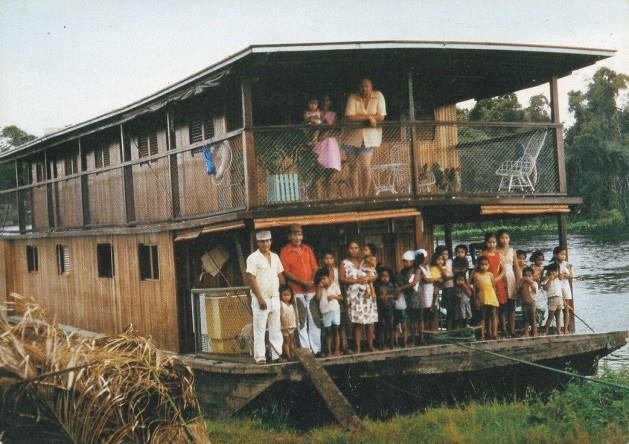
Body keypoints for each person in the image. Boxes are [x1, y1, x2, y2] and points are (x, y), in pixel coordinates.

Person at [245, 230, 285, 364]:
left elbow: (280, 275)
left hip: (275, 297)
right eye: (262, 241)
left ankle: (276, 355)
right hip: (261, 298)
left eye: (268, 241)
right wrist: (260, 298)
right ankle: (260, 357)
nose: (266, 244)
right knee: (260, 328)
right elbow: (251, 278)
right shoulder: (252, 258)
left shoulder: (275, 257)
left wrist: (284, 293)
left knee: (276, 328)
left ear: (271, 241)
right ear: (258, 243)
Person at [279, 224, 320, 354]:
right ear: (289, 236)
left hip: (311, 290)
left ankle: (316, 349)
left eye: (300, 234)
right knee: (301, 320)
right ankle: (306, 350)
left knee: (314, 319)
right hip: (296, 291)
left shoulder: (307, 249)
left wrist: (312, 281)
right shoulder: (285, 251)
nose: (298, 237)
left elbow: (315, 268)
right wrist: (302, 282)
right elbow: (285, 272)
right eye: (295, 234)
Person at [343, 77, 386, 197]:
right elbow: (349, 117)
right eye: (362, 86)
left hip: (368, 139)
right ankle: (355, 197)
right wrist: (369, 118)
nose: (364, 89)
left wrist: (367, 117)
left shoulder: (378, 96)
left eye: (367, 86)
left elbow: (381, 116)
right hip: (350, 138)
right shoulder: (352, 97)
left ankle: (365, 197)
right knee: (352, 167)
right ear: (359, 88)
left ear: (371, 87)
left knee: (365, 167)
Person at [339, 241, 378, 353]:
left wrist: (370, 279)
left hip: (368, 295)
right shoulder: (344, 263)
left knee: (370, 321)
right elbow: (341, 279)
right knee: (358, 323)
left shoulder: (364, 261)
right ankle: (358, 347)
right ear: (347, 249)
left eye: (356, 248)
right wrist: (356, 280)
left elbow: (375, 274)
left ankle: (370, 345)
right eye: (351, 248)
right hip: (354, 296)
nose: (354, 250)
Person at [313, 95, 341, 198]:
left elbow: (335, 129)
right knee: (318, 173)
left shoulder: (333, 114)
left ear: (331, 102)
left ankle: (329, 198)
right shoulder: (317, 113)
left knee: (330, 174)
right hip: (319, 143)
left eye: (328, 101)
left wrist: (325, 134)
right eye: (324, 100)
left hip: (330, 145)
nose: (326, 102)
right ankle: (319, 199)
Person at [480, 232, 507, 337]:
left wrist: (498, 278)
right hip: (486, 283)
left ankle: (495, 333)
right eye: (489, 242)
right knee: (487, 310)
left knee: (495, 310)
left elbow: (503, 269)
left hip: (497, 282)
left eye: (494, 242)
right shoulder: (483, 254)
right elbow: (477, 270)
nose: (492, 244)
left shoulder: (498, 254)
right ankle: (488, 332)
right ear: (486, 243)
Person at [497, 229, 520, 337]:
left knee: (512, 306)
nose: (504, 240)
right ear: (498, 239)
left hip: (511, 278)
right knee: (502, 306)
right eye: (502, 238)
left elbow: (516, 268)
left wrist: (518, 282)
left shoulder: (512, 251)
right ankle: (504, 330)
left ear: (509, 239)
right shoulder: (496, 251)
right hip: (501, 278)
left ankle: (512, 330)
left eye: (506, 238)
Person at [315, 268, 343, 356]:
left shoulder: (335, 286)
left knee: (336, 329)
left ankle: (337, 350)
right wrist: (319, 289)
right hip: (325, 311)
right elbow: (318, 299)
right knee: (328, 331)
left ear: (328, 277)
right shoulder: (320, 287)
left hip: (335, 310)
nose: (322, 281)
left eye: (324, 279)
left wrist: (334, 297)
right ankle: (329, 351)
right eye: (321, 279)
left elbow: (341, 298)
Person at [472, 256, 499, 340]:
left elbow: (494, 287)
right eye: (482, 265)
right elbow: (475, 289)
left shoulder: (490, 274)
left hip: (491, 296)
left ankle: (494, 334)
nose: (484, 267)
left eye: (486, 265)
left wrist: (495, 297)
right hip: (482, 296)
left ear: (488, 265)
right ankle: (482, 334)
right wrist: (476, 299)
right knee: (483, 317)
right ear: (478, 265)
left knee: (493, 315)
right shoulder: (476, 275)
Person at [394, 250, 416, 347]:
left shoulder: (415, 270)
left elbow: (412, 284)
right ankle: (405, 340)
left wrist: (401, 287)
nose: (405, 263)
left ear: (412, 261)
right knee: (405, 320)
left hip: (413, 297)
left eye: (407, 261)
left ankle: (413, 339)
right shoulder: (402, 271)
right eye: (404, 261)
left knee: (412, 319)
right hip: (404, 298)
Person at [414, 249, 435, 345]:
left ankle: (429, 335)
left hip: (430, 292)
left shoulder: (427, 267)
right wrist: (436, 279)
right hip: (423, 293)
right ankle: (422, 337)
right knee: (422, 315)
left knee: (429, 316)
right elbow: (425, 280)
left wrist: (433, 280)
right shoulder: (419, 269)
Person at [552, 246, 574, 334]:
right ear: (555, 255)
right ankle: (558, 329)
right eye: (561, 254)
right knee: (557, 308)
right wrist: (558, 275)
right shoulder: (552, 265)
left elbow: (571, 276)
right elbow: (550, 275)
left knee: (566, 309)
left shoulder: (567, 264)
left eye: (564, 254)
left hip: (565, 286)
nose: (563, 256)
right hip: (556, 286)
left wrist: (564, 275)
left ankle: (565, 328)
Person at [375, 266, 396, 349]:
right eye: (383, 276)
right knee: (381, 325)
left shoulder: (391, 285)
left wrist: (388, 296)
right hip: (380, 307)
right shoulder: (377, 285)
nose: (384, 278)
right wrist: (379, 297)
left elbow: (395, 295)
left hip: (389, 307)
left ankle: (391, 343)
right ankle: (381, 344)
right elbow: (375, 296)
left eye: (386, 276)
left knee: (390, 325)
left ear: (389, 277)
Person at [543, 263, 563, 335]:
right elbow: (545, 288)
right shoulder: (547, 278)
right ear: (549, 271)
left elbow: (561, 276)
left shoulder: (558, 278)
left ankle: (558, 331)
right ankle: (546, 331)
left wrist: (557, 275)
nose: (554, 273)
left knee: (558, 316)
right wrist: (550, 279)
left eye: (556, 271)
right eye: (553, 271)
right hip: (552, 298)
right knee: (550, 316)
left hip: (559, 298)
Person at [429, 252, 447, 331]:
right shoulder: (431, 267)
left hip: (438, 283)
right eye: (438, 259)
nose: (440, 261)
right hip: (431, 283)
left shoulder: (444, 268)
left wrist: (440, 268)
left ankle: (433, 305)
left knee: (436, 290)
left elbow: (445, 276)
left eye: (442, 260)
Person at [519, 267, 538, 337]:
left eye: (529, 276)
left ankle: (535, 333)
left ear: (532, 276)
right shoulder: (523, 284)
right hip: (524, 303)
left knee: (533, 319)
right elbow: (519, 291)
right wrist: (521, 283)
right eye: (525, 276)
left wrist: (530, 283)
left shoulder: (534, 283)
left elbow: (535, 290)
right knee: (526, 319)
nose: (527, 277)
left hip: (532, 303)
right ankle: (526, 333)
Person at [279, 285, 297, 360]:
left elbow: (295, 313)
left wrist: (296, 322)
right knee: (286, 341)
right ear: (281, 295)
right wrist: (284, 324)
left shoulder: (292, 304)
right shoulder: (281, 304)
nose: (286, 297)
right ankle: (287, 355)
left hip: (292, 325)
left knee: (292, 340)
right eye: (284, 295)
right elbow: (281, 315)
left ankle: (292, 354)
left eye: (288, 295)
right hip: (284, 326)